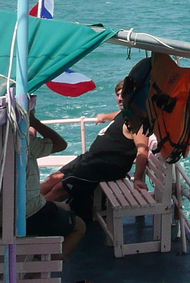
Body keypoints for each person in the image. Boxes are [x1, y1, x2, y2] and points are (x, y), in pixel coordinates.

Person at [39, 80, 156, 221]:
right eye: (118, 94)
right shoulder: (124, 113)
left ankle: (33, 216)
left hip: (104, 167)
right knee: (52, 179)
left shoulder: (136, 122)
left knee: (60, 188)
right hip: (90, 159)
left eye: (123, 95)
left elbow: (142, 151)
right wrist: (104, 116)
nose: (119, 98)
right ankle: (26, 206)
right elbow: (115, 115)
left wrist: (137, 179)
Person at [25, 101, 86, 258]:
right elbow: (60, 144)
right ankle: (42, 269)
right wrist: (34, 122)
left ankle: (41, 257)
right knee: (79, 226)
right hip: (27, 214)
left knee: (64, 208)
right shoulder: (24, 144)